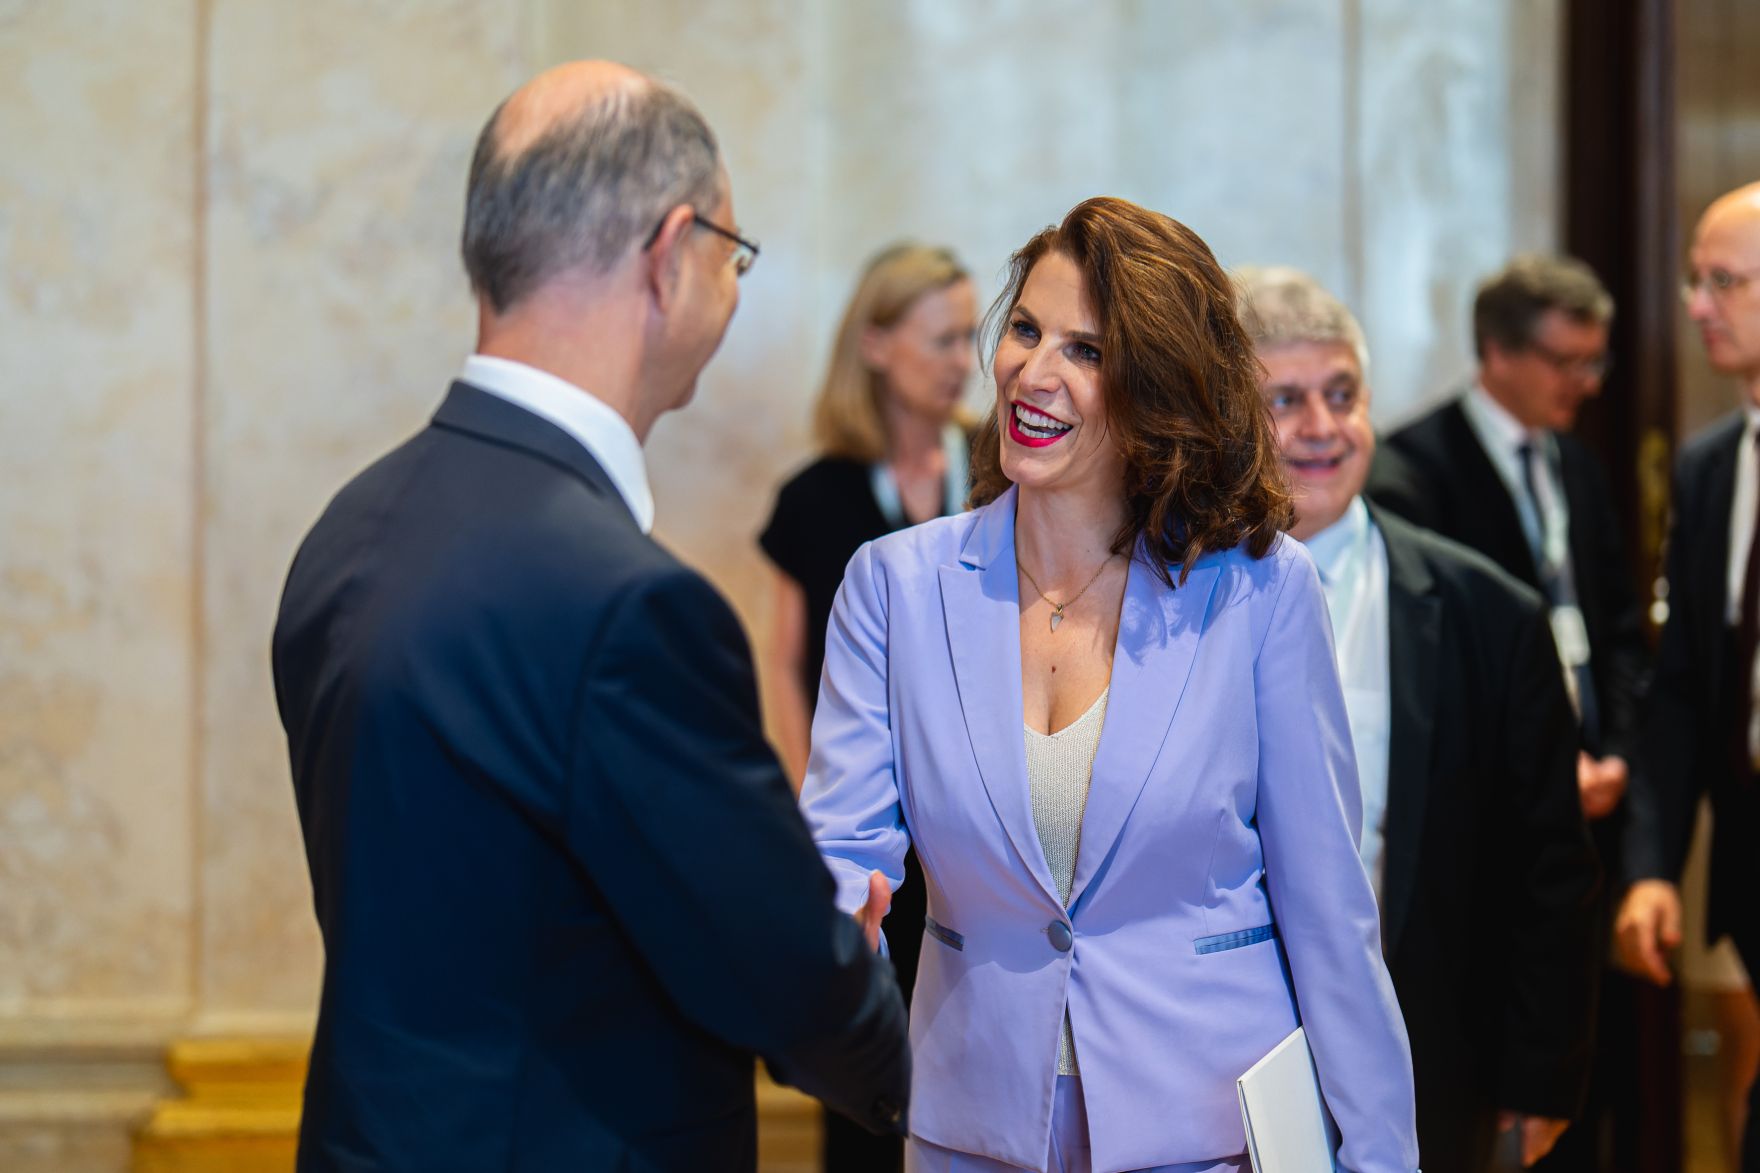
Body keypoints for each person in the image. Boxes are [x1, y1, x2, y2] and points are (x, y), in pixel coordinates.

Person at [271, 61, 909, 1172]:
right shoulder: (630, 607)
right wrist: (907, 1062)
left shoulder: (348, 528)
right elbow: (776, 971)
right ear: (670, 257)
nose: (735, 288)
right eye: (732, 255)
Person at [802, 197, 1418, 1173]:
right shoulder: (893, 587)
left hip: (1210, 1131)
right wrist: (830, 942)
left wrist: (1379, 1156)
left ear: (1158, 389)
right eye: (1023, 330)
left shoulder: (1257, 589)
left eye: (1085, 352)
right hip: (971, 1126)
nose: (1031, 374)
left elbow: (1326, 911)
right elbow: (840, 845)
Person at [1236, 266, 1600, 1173]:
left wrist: (1539, 1077)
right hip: (1214, 1051)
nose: (1320, 427)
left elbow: (1548, 868)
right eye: (1284, 399)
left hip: (1425, 1049)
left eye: (1341, 394)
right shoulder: (1161, 599)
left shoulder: (1489, 613)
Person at [1365, 256, 1650, 1173]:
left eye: (1593, 363)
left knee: (1586, 1058)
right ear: (1497, 350)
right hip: (1491, 816)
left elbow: (1613, 628)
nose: (1585, 384)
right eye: (1567, 361)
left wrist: (1620, 754)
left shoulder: (1576, 460)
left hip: (1596, 794)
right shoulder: (1412, 468)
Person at [759, 243, 976, 1173]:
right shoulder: (815, 497)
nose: (964, 359)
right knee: (866, 1094)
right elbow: (786, 661)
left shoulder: (1014, 470)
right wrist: (821, 824)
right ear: (877, 344)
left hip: (979, 831)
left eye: (973, 335)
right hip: (871, 842)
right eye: (942, 338)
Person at [1618, 179, 1760, 1173]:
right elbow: (1681, 690)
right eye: (1692, 283)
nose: (1696, 305)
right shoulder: (1711, 468)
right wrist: (1652, 866)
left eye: (1721, 281)